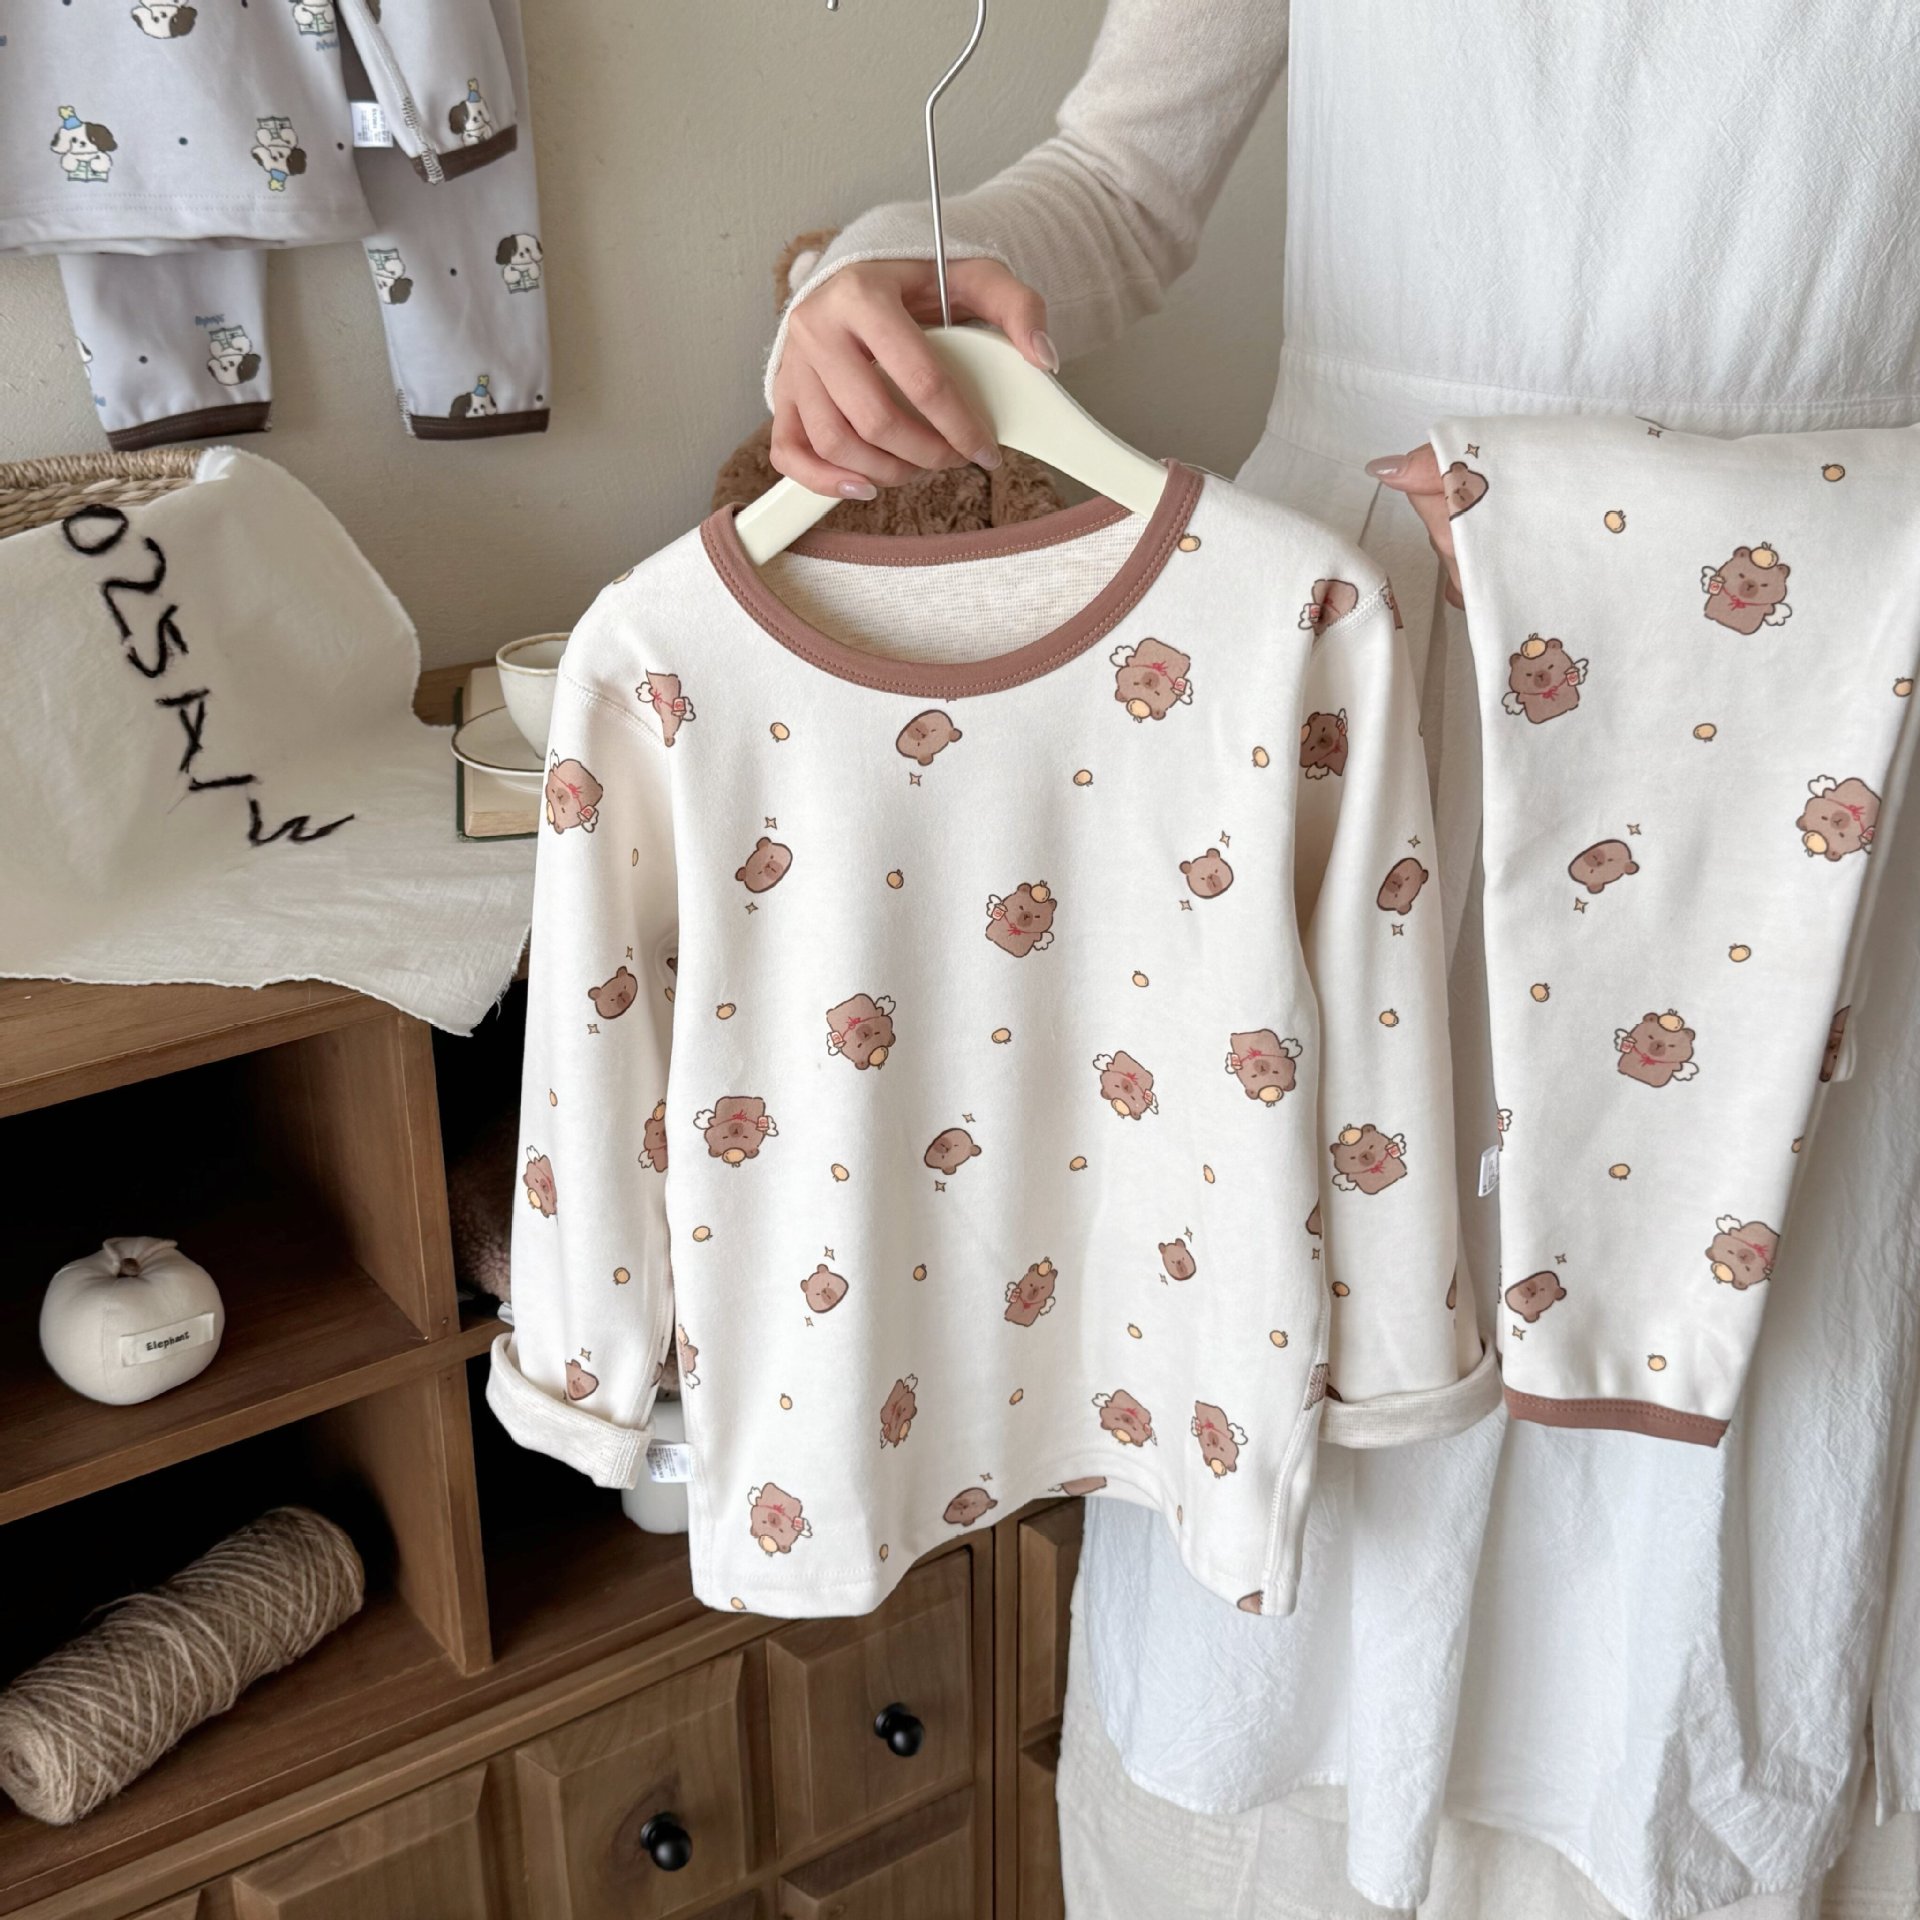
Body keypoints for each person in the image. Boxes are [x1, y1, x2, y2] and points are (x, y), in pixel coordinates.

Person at [758, 4, 1920, 1915]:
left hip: (1812, 723)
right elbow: (1115, 182)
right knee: (1319, 1477)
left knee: (1732, 1465)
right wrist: (896, 275)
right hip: (1370, 690)